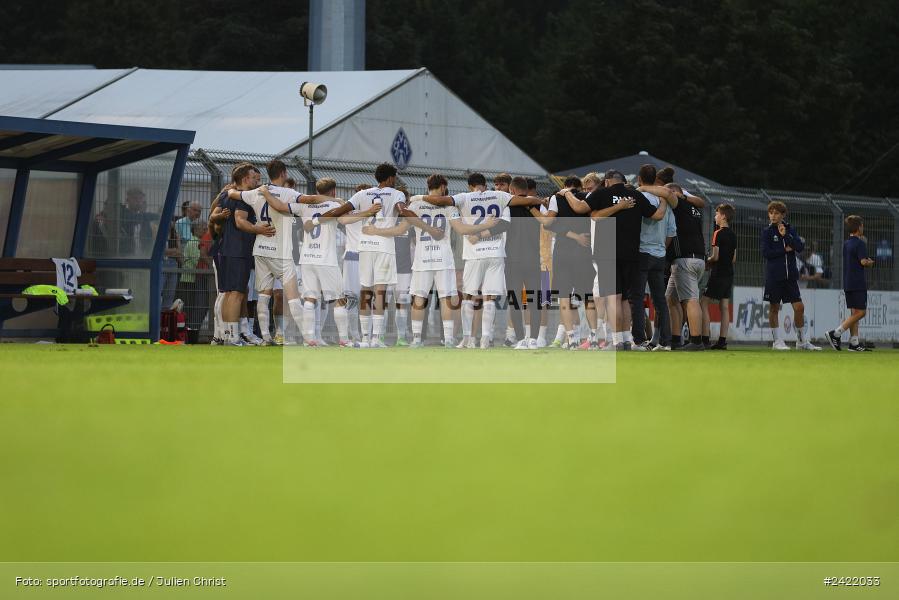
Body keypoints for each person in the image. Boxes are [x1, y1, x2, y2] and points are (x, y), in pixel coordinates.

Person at [420, 173, 542, 348]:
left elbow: (443, 203)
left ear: (470, 186)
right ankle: (488, 338)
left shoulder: (464, 198)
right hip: (498, 254)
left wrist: (478, 234)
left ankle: (468, 338)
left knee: (469, 297)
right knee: (493, 298)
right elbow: (506, 223)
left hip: (475, 254)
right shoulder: (501, 197)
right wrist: (537, 201)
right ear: (485, 185)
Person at [558, 169, 667, 350]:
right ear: (623, 182)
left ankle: (616, 341)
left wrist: (567, 193)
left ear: (607, 181)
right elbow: (657, 215)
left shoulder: (602, 193)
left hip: (606, 254)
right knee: (625, 299)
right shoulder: (635, 195)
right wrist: (664, 201)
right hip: (631, 254)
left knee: (613, 298)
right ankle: (626, 339)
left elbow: (579, 208)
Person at [402, 174, 491, 347]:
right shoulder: (448, 205)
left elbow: (403, 227)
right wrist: (484, 225)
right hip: (443, 257)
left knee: (419, 298)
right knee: (446, 298)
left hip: (423, 258)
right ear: (443, 187)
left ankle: (416, 339)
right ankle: (449, 338)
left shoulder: (415, 204)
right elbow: (461, 229)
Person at [289, 178, 378, 346]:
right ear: (333, 191)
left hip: (307, 258)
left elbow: (286, 206)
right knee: (340, 299)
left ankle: (309, 339)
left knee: (309, 298)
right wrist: (368, 212)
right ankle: (344, 339)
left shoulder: (304, 205)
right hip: (326, 259)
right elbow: (345, 220)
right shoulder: (333, 206)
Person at [212, 163, 275, 346]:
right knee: (236, 294)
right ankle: (232, 338)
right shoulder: (244, 199)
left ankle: (227, 335)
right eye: (255, 178)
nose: (257, 181)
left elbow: (213, 215)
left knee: (230, 293)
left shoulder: (226, 195)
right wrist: (259, 229)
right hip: (238, 250)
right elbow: (240, 222)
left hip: (227, 249)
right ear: (245, 179)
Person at [351, 163, 408, 348]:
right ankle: (376, 338)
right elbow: (402, 210)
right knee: (380, 292)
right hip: (384, 247)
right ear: (391, 178)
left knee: (365, 291)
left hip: (366, 245)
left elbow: (345, 211)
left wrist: (365, 215)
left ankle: (364, 338)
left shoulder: (362, 193)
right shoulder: (396, 193)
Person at [540, 176, 597, 350]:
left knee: (564, 297)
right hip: (584, 251)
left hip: (562, 253)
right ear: (580, 187)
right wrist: (578, 236)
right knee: (587, 297)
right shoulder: (588, 197)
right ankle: (593, 338)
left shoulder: (556, 199)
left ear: (564, 187)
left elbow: (549, 224)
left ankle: (571, 339)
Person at [760, 200, 821, 350]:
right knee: (774, 308)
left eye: (776, 213)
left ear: (783, 215)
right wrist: (784, 250)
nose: (773, 216)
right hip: (774, 276)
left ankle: (801, 342)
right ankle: (777, 342)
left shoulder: (789, 229)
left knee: (799, 307)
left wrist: (786, 236)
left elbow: (799, 247)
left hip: (790, 277)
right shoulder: (766, 232)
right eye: (771, 213)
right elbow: (766, 253)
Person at [630, 164, 676, 351]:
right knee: (660, 300)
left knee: (637, 297)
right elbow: (672, 231)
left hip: (642, 252)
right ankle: (666, 342)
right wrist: (662, 249)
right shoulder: (664, 200)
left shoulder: (638, 198)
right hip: (659, 255)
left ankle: (639, 340)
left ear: (640, 179)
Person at [502, 176, 546, 349]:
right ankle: (533, 339)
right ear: (526, 189)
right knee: (535, 300)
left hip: (512, 259)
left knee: (515, 301)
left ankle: (520, 339)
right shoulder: (537, 205)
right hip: (533, 258)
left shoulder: (506, 204)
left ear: (512, 190)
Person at [827, 215, 875, 351]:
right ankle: (835, 333)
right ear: (859, 227)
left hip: (848, 281)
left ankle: (854, 342)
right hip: (858, 282)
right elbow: (863, 262)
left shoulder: (846, 243)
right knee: (861, 312)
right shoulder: (860, 243)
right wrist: (870, 262)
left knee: (854, 312)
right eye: (862, 225)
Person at [701, 203, 737, 350]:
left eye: (717, 214)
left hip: (718, 274)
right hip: (729, 273)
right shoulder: (733, 234)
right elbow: (734, 258)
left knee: (703, 302)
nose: (715, 216)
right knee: (724, 307)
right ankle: (722, 342)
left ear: (723, 216)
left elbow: (715, 256)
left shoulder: (718, 233)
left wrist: (706, 262)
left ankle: (705, 338)